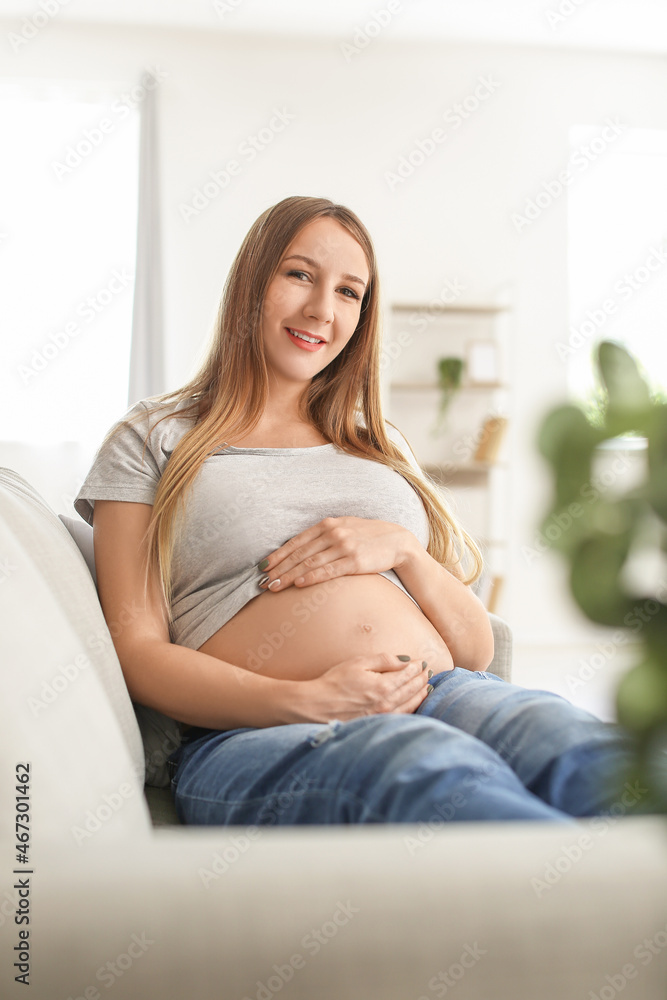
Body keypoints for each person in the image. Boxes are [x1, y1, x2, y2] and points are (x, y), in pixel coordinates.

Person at [75, 195, 640, 828]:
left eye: (350, 292)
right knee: (428, 767)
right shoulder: (154, 436)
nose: (322, 309)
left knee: (579, 746)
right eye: (299, 275)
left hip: (444, 690)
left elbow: (476, 649)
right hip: (255, 732)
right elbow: (138, 648)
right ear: (251, 282)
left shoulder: (378, 442)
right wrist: (306, 700)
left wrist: (402, 548)